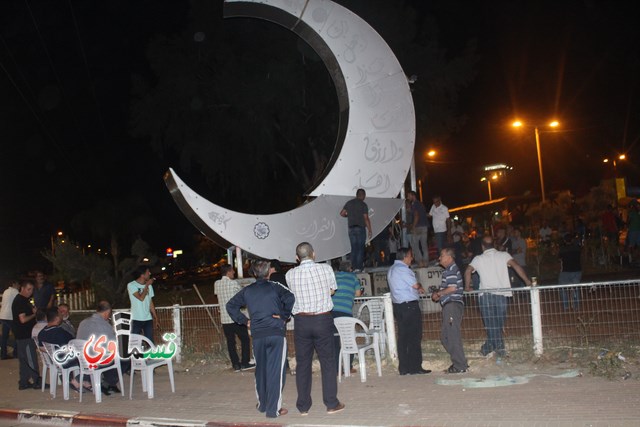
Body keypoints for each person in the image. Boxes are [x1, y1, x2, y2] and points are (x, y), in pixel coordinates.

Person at [227, 260, 295, 419]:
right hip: (276, 333)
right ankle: (273, 410)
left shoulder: (247, 291)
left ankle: (262, 404)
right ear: (268, 272)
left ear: (253, 273)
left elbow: (231, 305)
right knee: (276, 372)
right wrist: (284, 316)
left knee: (261, 370)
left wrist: (244, 321)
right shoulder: (275, 286)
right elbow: (291, 297)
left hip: (257, 335)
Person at [285, 242, 345, 415]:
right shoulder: (326, 269)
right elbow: (332, 291)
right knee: (327, 361)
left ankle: (303, 407)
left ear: (297, 258)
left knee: (303, 363)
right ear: (314, 254)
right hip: (322, 319)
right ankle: (331, 403)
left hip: (301, 322)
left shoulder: (290, 274)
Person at [464, 236, 531, 356]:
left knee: (491, 324)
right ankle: (495, 349)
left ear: (482, 246)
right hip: (502, 294)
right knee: (498, 324)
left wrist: (467, 287)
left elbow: (468, 270)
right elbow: (516, 266)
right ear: (494, 245)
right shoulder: (504, 255)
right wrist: (527, 281)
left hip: (486, 295)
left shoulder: (478, 258)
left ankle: (490, 348)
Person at [387, 247, 430, 375]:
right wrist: (421, 287)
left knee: (403, 337)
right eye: (410, 256)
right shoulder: (404, 270)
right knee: (414, 336)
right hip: (409, 306)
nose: (412, 258)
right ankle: (415, 367)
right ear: (405, 257)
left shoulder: (391, 270)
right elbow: (415, 286)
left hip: (399, 307)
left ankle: (404, 367)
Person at [77, 300, 126, 395]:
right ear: (107, 312)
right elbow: (114, 344)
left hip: (82, 360)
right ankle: (107, 383)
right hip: (96, 360)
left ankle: (108, 382)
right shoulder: (104, 325)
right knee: (125, 358)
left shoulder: (83, 322)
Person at [431, 248, 468, 374]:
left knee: (451, 336)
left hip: (452, 305)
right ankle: (460, 362)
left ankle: (460, 365)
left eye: (441, 255)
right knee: (446, 336)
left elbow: (452, 288)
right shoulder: (450, 270)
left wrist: (438, 293)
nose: (439, 258)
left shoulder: (451, 270)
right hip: (450, 305)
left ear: (449, 257)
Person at [37, 308, 91, 392]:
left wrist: (52, 352)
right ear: (57, 318)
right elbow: (70, 345)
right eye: (60, 314)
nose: (62, 315)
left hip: (54, 361)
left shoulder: (42, 332)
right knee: (91, 358)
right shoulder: (60, 332)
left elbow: (41, 348)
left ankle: (85, 381)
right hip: (65, 360)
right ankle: (78, 380)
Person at [214, 264, 253, 372]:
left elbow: (217, 295)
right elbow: (241, 297)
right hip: (236, 317)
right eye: (232, 271)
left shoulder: (216, 284)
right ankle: (245, 363)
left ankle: (235, 364)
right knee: (245, 339)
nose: (234, 273)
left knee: (231, 342)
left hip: (225, 319)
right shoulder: (233, 283)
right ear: (228, 272)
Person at [331, 259, 361, 374]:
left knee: (334, 340)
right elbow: (358, 294)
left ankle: (336, 368)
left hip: (332, 312)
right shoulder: (353, 277)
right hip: (345, 313)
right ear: (350, 269)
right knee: (348, 339)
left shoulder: (335, 276)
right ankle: (348, 366)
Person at [11, 279, 41, 390]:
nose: (30, 292)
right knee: (30, 358)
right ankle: (36, 380)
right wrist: (34, 314)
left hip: (21, 335)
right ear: (22, 288)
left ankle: (23, 382)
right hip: (25, 334)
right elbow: (23, 319)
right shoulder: (20, 301)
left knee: (24, 360)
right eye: (28, 289)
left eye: (32, 290)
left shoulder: (23, 300)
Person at [340, 189, 372, 272]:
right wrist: (370, 230)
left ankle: (353, 267)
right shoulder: (363, 204)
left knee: (354, 248)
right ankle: (359, 267)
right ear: (363, 195)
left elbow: (342, 213)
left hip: (351, 229)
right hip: (360, 228)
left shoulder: (349, 203)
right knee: (360, 248)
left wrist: (348, 216)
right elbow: (366, 218)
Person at [127, 266, 158, 343]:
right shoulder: (131, 285)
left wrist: (155, 317)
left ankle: (150, 354)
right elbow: (141, 298)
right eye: (148, 272)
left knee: (150, 341)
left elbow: (150, 302)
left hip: (148, 318)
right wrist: (146, 285)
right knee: (134, 342)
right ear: (142, 275)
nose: (150, 273)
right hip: (136, 318)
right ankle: (136, 355)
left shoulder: (149, 286)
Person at [558, 233, 583, 310]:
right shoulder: (577, 248)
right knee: (576, 288)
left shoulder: (562, 249)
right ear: (572, 240)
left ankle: (566, 306)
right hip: (577, 271)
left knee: (562, 287)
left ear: (564, 241)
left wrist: (561, 269)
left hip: (566, 271)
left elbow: (560, 260)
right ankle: (576, 306)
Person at [407, 190, 430, 267]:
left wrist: (413, 227)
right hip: (424, 226)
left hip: (418, 227)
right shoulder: (421, 204)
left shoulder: (414, 204)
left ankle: (420, 262)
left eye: (409, 195)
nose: (408, 197)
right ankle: (426, 262)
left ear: (413, 195)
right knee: (424, 245)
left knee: (415, 245)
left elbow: (416, 215)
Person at [1, 280, 20, 359]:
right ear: (14, 284)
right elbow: (19, 302)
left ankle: (3, 354)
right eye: (18, 284)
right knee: (17, 335)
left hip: (3, 316)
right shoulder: (15, 291)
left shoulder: (5, 291)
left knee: (4, 337)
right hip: (10, 317)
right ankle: (15, 353)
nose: (19, 286)